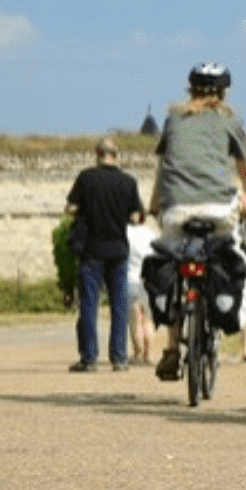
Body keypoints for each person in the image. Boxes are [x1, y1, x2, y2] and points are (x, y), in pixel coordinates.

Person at [149, 62, 246, 381]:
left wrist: (155, 204)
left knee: (171, 262)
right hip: (218, 210)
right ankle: (232, 319)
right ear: (224, 93)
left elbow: (163, 169)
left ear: (191, 90)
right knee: (240, 260)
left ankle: (172, 348)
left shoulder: (173, 121)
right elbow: (245, 170)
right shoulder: (230, 122)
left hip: (177, 210)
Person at [64, 139, 145, 370]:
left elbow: (70, 208)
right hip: (118, 249)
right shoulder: (128, 182)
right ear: (116, 155)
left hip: (92, 250)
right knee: (119, 305)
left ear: (97, 154)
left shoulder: (86, 178)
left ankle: (89, 358)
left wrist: (84, 211)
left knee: (89, 304)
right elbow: (137, 216)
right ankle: (119, 358)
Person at [124, 218, 160, 365]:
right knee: (148, 320)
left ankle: (138, 353)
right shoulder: (150, 233)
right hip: (148, 280)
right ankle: (149, 354)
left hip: (130, 279)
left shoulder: (124, 232)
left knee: (135, 320)